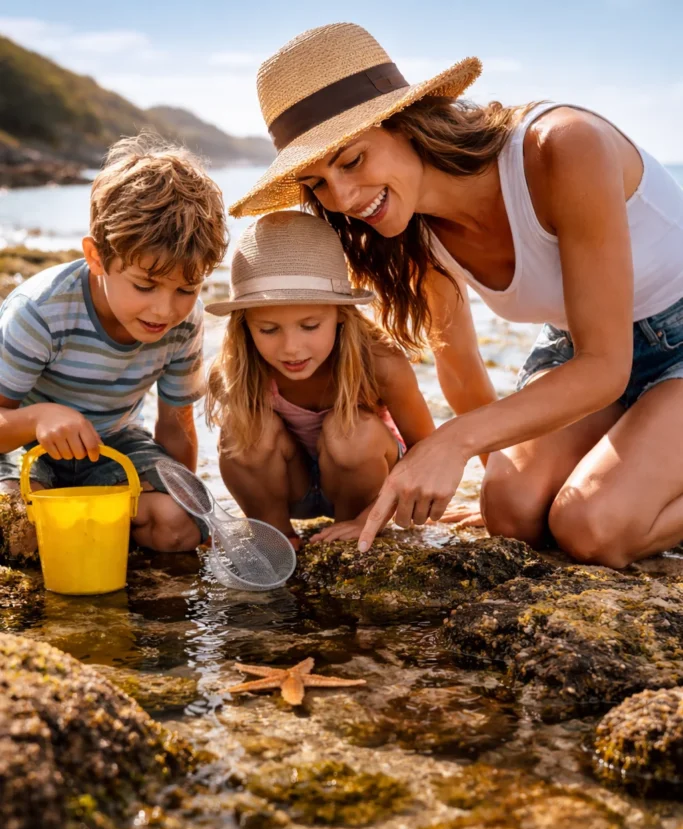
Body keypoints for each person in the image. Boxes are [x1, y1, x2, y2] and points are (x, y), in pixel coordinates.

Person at [229, 22, 683, 567]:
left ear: (406, 122)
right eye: (319, 182)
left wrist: (453, 442)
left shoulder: (562, 146)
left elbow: (605, 365)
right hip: (585, 351)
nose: (343, 196)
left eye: (351, 160)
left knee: (589, 527)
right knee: (511, 513)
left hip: (649, 348)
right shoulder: (404, 230)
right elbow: (462, 368)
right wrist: (497, 479)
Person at [0, 134, 228, 551]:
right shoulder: (40, 312)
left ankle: (98, 522)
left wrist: (190, 506)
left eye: (186, 289)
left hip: (113, 447)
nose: (164, 310)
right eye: (145, 285)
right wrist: (39, 418)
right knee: (22, 531)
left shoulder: (182, 323)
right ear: (97, 258)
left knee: (178, 526)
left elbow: (176, 425)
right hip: (23, 447)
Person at [205, 210, 434, 548]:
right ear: (245, 325)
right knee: (241, 429)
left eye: (310, 326)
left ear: (341, 314)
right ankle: (276, 536)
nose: (291, 348)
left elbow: (428, 453)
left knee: (351, 431)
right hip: (290, 486)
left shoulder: (380, 362)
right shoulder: (236, 369)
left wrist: (369, 517)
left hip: (362, 483)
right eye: (268, 330)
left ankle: (346, 535)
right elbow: (243, 458)